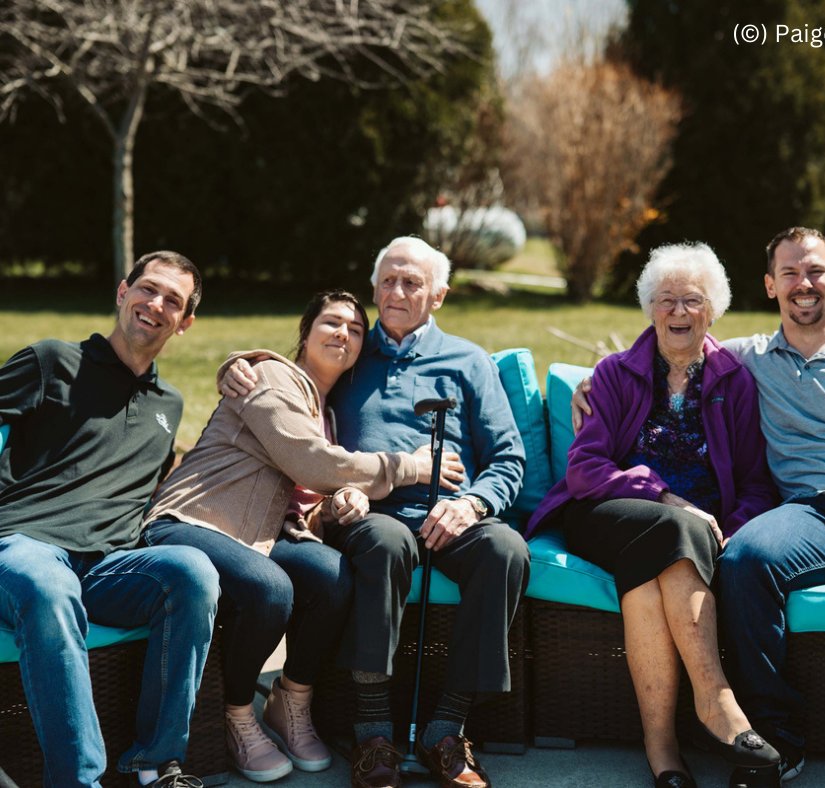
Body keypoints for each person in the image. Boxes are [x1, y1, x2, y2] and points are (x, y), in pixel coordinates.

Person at [574, 228, 825, 788]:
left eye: (816, 271)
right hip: (806, 513)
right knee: (746, 561)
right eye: (789, 273)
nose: (804, 284)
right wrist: (596, 378)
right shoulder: (750, 358)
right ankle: (775, 740)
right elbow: (663, 353)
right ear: (770, 286)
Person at [221, 236, 529, 788]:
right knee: (387, 541)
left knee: (505, 549)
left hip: (452, 514)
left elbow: (508, 456)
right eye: (387, 280)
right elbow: (290, 381)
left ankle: (447, 729)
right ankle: (373, 735)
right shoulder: (352, 355)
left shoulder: (471, 361)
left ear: (438, 295)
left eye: (412, 282)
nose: (396, 292)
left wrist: (473, 502)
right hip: (371, 516)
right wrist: (237, 367)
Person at [143, 291, 462, 783]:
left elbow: (306, 490)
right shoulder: (269, 376)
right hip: (193, 521)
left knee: (332, 577)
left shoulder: (327, 416)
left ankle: (291, 701)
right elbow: (308, 461)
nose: (344, 334)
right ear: (305, 333)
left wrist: (340, 504)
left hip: (263, 536)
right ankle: (238, 715)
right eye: (331, 323)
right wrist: (408, 467)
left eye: (356, 329)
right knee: (272, 589)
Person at [527, 243, 780, 788]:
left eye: (692, 300)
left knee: (646, 582)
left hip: (695, 535)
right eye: (666, 300)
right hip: (607, 514)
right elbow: (585, 469)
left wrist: (728, 533)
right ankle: (716, 702)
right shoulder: (615, 374)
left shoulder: (735, 381)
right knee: (675, 526)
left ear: (712, 309)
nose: (679, 313)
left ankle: (662, 750)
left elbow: (758, 483)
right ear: (649, 307)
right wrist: (666, 497)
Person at [0, 252, 219, 788]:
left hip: (107, 565)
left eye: (174, 301)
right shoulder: (52, 361)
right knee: (48, 584)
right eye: (148, 289)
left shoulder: (169, 404)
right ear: (123, 292)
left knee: (195, 572)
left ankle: (155, 764)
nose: (156, 305)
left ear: (185, 323)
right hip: (25, 546)